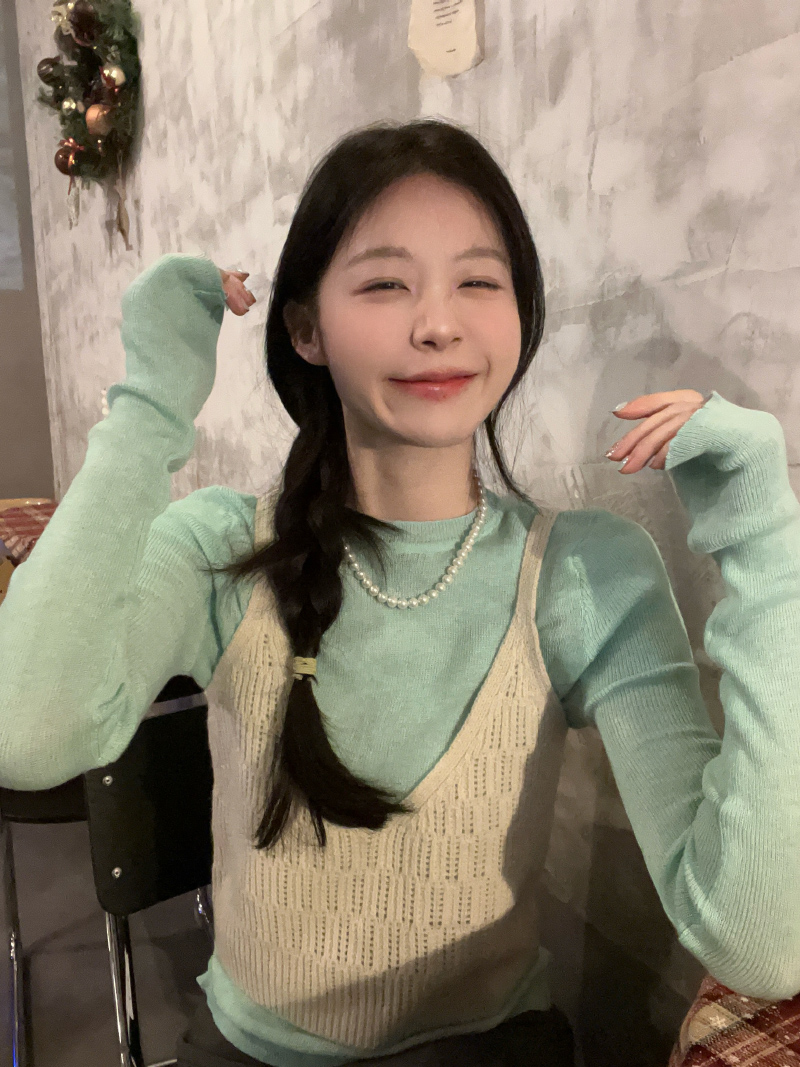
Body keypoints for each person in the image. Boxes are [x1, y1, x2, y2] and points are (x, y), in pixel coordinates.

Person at [0, 119, 798, 1067]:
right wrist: (151, 404)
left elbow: (758, 941)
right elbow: (28, 732)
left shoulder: (589, 573)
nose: (438, 324)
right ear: (306, 328)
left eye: (479, 282)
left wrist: (762, 535)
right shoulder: (224, 548)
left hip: (490, 1051)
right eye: (385, 284)